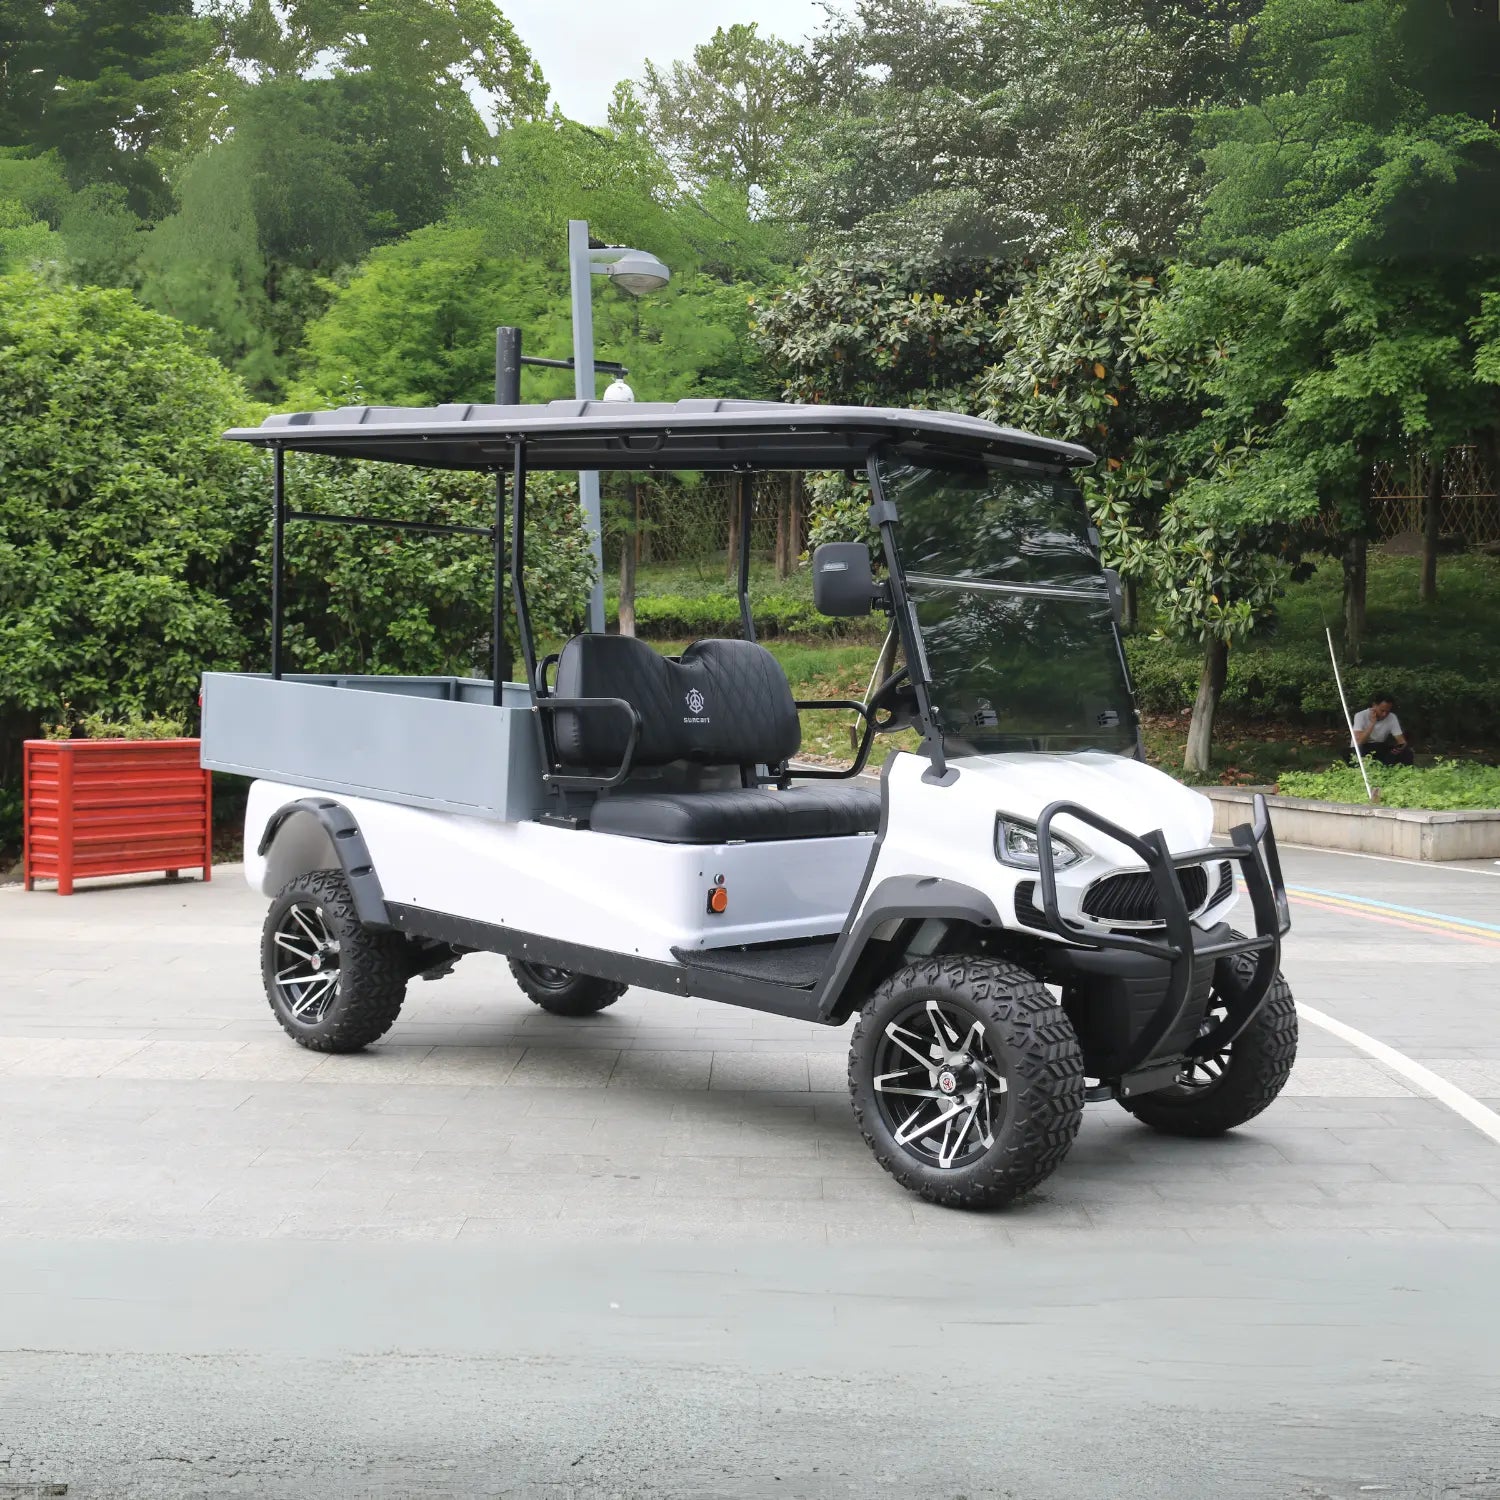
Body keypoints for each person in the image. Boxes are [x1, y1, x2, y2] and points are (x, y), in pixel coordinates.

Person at [1349, 691, 1414, 766]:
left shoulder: (1392, 717)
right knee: (1360, 750)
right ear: (1374, 705)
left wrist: (1400, 748)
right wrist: (1372, 723)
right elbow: (1359, 741)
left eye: (1387, 711)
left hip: (1379, 748)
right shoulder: (1360, 716)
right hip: (1361, 748)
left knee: (1407, 753)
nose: (1384, 714)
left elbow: (1401, 741)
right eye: (1382, 710)